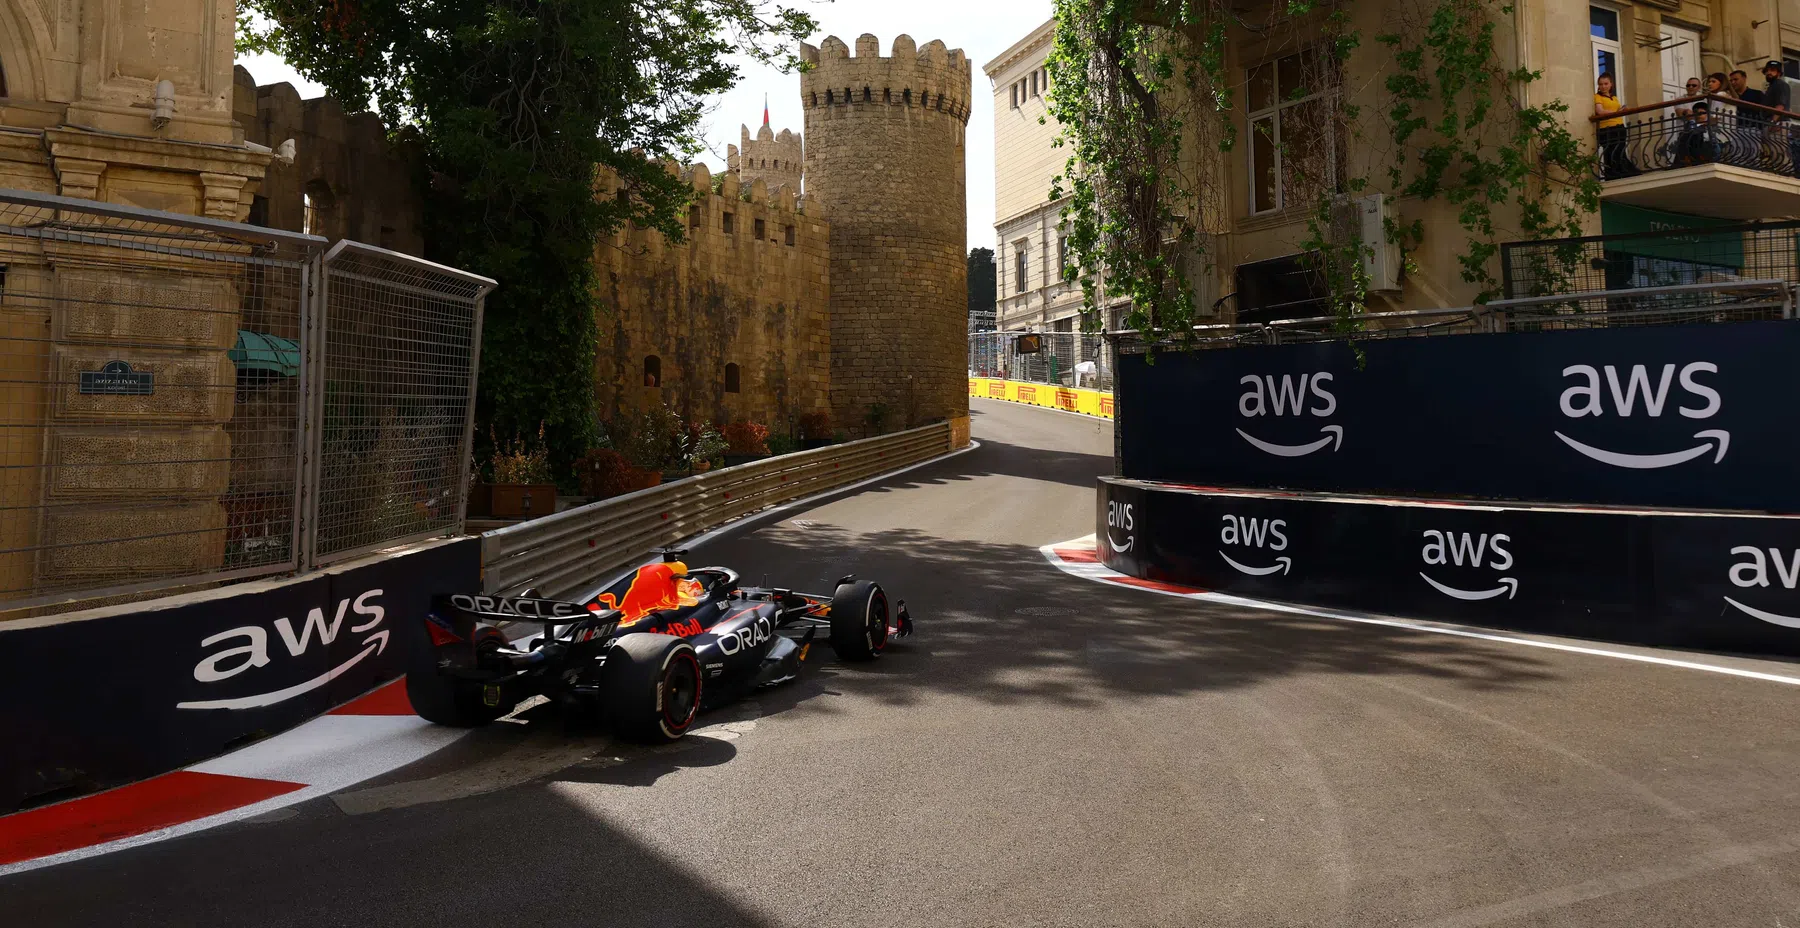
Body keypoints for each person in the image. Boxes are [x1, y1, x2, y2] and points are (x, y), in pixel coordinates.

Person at [1594, 73, 1637, 178]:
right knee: (1611, 151)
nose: (1603, 86)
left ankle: (1624, 171)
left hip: (1619, 126)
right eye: (1600, 84)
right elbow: (1600, 111)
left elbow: (1615, 111)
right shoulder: (1597, 96)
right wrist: (1616, 113)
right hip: (1607, 128)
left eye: (1605, 84)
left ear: (1611, 84)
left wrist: (1622, 110)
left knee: (1620, 150)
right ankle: (1613, 174)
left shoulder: (1614, 97)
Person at [1762, 61, 1800, 176]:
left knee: (1780, 152)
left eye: (1772, 70)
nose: (1769, 73)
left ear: (1778, 73)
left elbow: (1780, 105)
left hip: (1779, 122)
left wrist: (1774, 122)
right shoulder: (1771, 87)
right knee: (1774, 152)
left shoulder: (1780, 84)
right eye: (1767, 70)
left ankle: (1786, 176)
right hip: (1772, 122)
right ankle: (1778, 174)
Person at [1675, 101, 1722, 166]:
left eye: (1702, 113)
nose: (1699, 115)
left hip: (1705, 158)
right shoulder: (1689, 126)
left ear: (1707, 114)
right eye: (1696, 113)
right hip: (1688, 159)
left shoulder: (1711, 128)